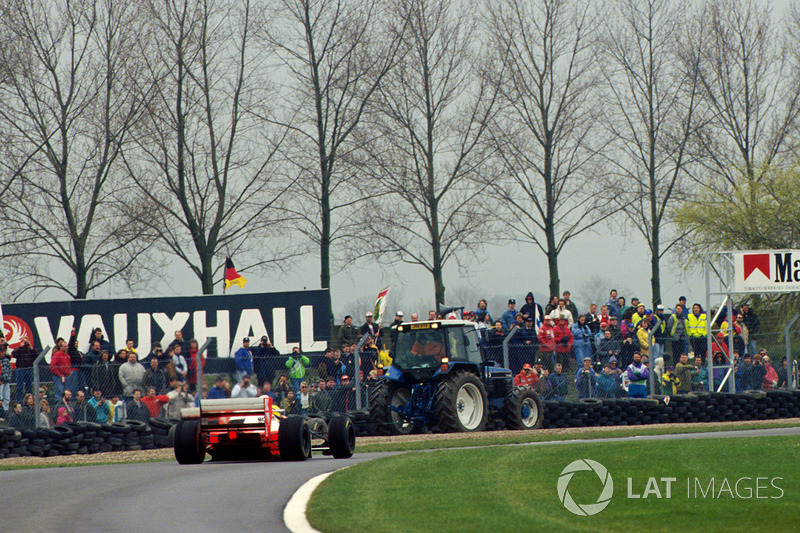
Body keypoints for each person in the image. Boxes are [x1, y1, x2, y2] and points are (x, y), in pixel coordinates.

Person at [12, 336, 37, 403]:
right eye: (24, 341)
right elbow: (13, 354)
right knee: (19, 386)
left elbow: (36, 356)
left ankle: (29, 400)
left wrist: (31, 348)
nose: (25, 343)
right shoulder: (19, 350)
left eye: (26, 341)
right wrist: (20, 347)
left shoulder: (30, 350)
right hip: (21, 369)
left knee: (29, 385)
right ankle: (19, 401)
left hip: (29, 368)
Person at [50, 338, 72, 402]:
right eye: (64, 346)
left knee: (66, 393)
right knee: (59, 392)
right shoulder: (57, 355)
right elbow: (52, 367)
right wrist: (60, 375)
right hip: (58, 377)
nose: (66, 348)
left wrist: (68, 374)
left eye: (67, 346)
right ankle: (59, 405)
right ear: (61, 347)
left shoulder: (67, 356)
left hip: (67, 376)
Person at [0, 339, 11, 413]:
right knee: (1, 397)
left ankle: (5, 410)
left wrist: (9, 378)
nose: (3, 353)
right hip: (0, 382)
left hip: (7, 381)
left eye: (4, 351)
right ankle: (1, 411)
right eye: (1, 351)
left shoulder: (6, 360)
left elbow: (10, 370)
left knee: (7, 397)